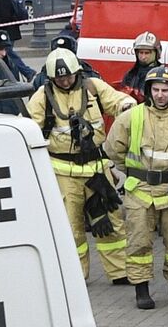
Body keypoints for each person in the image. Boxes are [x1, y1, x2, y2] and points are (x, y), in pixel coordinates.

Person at [26, 48, 134, 283]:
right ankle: (75, 276)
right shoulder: (42, 97)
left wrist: (127, 106)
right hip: (63, 172)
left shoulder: (92, 87)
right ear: (51, 78)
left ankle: (120, 272)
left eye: (68, 76)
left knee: (112, 222)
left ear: (77, 72)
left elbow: (117, 100)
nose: (64, 81)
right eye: (59, 78)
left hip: (97, 168)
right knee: (71, 228)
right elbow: (28, 127)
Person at [106, 65, 168, 310]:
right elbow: (113, 149)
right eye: (156, 89)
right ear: (149, 91)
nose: (160, 94)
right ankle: (142, 289)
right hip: (140, 190)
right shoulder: (131, 117)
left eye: (165, 90)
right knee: (139, 242)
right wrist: (134, 172)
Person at [121, 31, 164, 97]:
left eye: (147, 53)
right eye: (141, 52)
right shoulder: (131, 74)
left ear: (156, 53)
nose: (143, 57)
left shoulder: (162, 75)